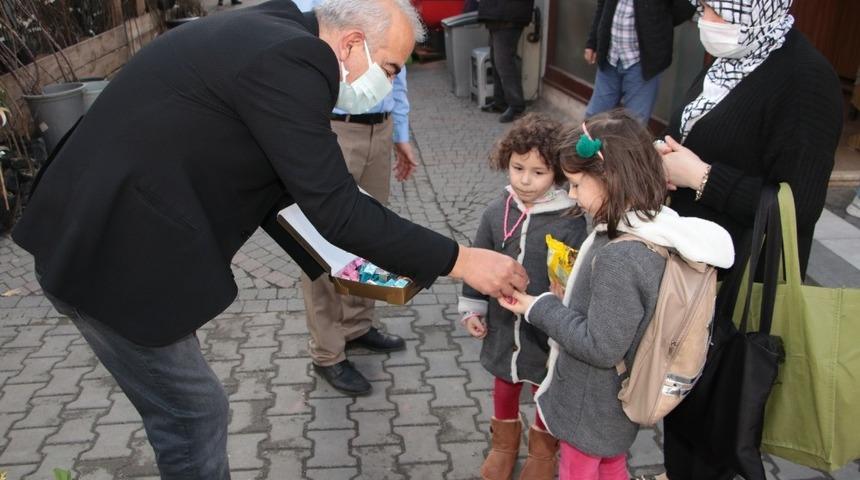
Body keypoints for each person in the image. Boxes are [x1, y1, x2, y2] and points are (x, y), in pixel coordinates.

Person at [11, 0, 528, 477]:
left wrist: (342, 264)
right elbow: (339, 211)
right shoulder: (296, 60)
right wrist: (462, 260)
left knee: (191, 409)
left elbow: (287, 189)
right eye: (391, 69)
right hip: (108, 254)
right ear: (352, 43)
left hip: (100, 228)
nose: (389, 83)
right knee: (193, 414)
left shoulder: (275, 29)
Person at [657, 1, 843, 478]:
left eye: (718, 9)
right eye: (702, 6)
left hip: (740, 284)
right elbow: (704, 136)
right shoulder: (732, 58)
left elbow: (799, 206)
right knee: (681, 403)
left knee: (713, 417)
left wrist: (702, 178)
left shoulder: (806, 79)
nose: (704, 20)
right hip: (694, 269)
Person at [499, 110, 733, 480]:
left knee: (578, 471)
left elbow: (601, 346)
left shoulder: (619, 255)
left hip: (591, 403)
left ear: (609, 177)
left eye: (577, 184)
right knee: (612, 466)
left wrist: (537, 306)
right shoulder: (654, 228)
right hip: (615, 403)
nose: (571, 194)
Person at [294, 0, 419, 397]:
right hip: (332, 129)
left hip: (378, 130)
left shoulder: (391, 7)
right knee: (320, 244)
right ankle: (328, 352)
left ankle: (358, 326)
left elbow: (397, 74)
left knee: (369, 235)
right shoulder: (313, 6)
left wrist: (400, 134)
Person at [458, 114, 587, 480]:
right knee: (505, 379)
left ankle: (543, 452)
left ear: (557, 173)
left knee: (546, 385)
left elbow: (579, 273)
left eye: (538, 172)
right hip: (503, 323)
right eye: (518, 168)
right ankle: (504, 445)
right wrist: (472, 308)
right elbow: (475, 261)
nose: (525, 180)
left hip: (547, 328)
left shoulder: (571, 218)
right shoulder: (495, 212)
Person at [584, 0, 695, 124]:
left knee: (634, 124)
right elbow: (602, 6)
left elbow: (687, 7)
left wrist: (660, 21)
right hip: (611, 57)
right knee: (594, 118)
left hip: (642, 64)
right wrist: (592, 43)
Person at [477, 0, 535, 123]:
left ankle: (516, 106)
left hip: (508, 14)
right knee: (496, 60)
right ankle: (500, 102)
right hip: (498, 14)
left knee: (504, 62)